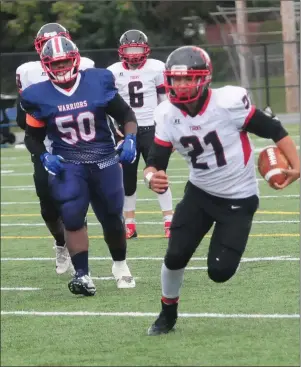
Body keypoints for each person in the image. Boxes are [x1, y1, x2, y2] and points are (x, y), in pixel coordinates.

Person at [143, 46, 300, 335]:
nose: (181, 85)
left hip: (239, 198)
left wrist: (298, 164)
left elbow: (274, 129)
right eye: (175, 80)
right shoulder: (166, 113)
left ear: (204, 79)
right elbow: (156, 159)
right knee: (175, 256)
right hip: (200, 194)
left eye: (187, 78)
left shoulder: (228, 102)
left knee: (219, 272)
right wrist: (151, 176)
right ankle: (167, 314)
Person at [21, 36, 137, 296]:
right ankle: (83, 275)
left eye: (64, 62)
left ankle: (120, 265)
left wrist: (129, 138)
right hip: (68, 163)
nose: (61, 68)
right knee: (72, 217)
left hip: (105, 158)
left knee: (112, 218)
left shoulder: (97, 81)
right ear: (46, 64)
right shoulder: (36, 95)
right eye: (55, 63)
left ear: (74, 59)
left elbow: (126, 115)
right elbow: (32, 136)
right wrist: (43, 156)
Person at [15, 23, 95, 275]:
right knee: (48, 206)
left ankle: (81, 264)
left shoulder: (87, 66)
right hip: (45, 146)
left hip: (77, 144)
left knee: (76, 203)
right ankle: (61, 243)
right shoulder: (27, 72)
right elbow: (22, 118)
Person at [107, 29, 173, 239]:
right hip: (128, 131)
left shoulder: (157, 67)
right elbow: (109, 107)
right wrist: (116, 131)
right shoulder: (113, 71)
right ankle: (130, 224)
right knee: (127, 180)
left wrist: (166, 127)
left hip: (153, 129)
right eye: (130, 49)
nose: (134, 54)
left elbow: (165, 102)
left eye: (137, 48)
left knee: (158, 175)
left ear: (145, 49)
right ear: (121, 50)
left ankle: (168, 221)